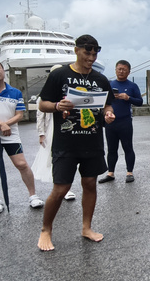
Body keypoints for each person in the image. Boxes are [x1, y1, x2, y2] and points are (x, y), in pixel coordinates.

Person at [37, 35, 115, 251]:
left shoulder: (101, 79)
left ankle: (86, 227)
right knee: (61, 188)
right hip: (66, 142)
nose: (91, 57)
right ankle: (46, 230)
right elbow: (42, 104)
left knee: (90, 184)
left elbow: (107, 106)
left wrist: (109, 115)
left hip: (92, 140)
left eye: (94, 53)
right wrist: (56, 107)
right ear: (76, 50)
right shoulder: (60, 74)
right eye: (87, 52)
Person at [0, 58, 45, 214]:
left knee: (22, 164)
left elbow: (19, 114)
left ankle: (33, 196)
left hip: (11, 134)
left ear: (3, 71)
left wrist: (5, 125)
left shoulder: (15, 92)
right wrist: (0, 123)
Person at [99, 60, 143, 184]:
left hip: (125, 122)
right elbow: (102, 101)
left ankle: (129, 172)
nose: (121, 71)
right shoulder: (109, 84)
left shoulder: (132, 86)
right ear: (115, 70)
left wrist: (128, 98)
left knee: (127, 147)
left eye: (124, 69)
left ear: (129, 72)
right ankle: (110, 173)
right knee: (111, 149)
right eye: (119, 69)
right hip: (111, 122)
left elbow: (139, 101)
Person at [33, 88, 76, 202]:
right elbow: (40, 116)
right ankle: (59, 188)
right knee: (54, 159)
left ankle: (66, 188)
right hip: (51, 130)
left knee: (68, 159)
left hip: (67, 130)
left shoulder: (68, 94)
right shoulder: (45, 96)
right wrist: (41, 134)